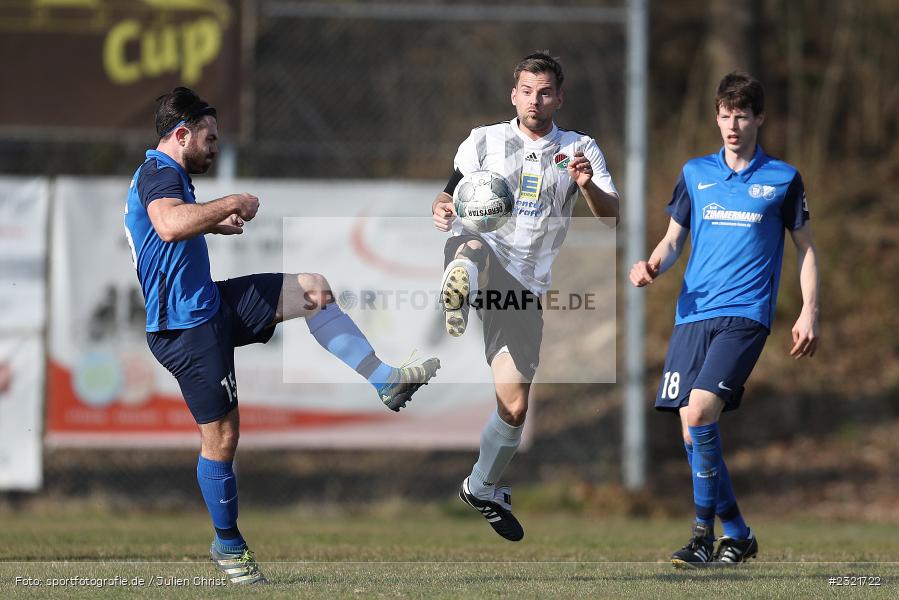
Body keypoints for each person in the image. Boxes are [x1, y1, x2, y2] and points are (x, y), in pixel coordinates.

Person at [124, 87, 440, 584]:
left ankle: (384, 379)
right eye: (209, 138)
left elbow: (168, 233)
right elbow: (165, 226)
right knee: (223, 437)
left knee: (313, 290)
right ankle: (228, 547)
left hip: (210, 306)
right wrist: (228, 201)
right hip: (183, 330)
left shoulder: (172, 175)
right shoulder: (160, 172)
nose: (214, 147)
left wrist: (212, 223)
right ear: (180, 134)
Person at [629, 72, 819, 567]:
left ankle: (700, 538)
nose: (732, 125)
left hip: (745, 315)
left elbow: (807, 250)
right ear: (716, 117)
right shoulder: (696, 172)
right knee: (692, 432)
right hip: (693, 314)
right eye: (725, 115)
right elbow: (673, 241)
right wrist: (652, 265)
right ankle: (737, 534)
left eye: (742, 115)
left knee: (699, 413)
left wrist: (809, 311)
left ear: (759, 117)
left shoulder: (783, 178)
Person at [432, 52, 620, 541]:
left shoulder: (580, 148)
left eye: (545, 92)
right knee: (472, 244)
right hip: (481, 251)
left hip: (525, 289)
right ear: (513, 94)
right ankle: (460, 283)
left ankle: (481, 485)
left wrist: (586, 186)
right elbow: (449, 194)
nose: (535, 100)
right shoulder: (484, 140)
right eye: (526, 91)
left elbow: (611, 213)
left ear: (559, 96)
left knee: (513, 408)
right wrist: (442, 205)